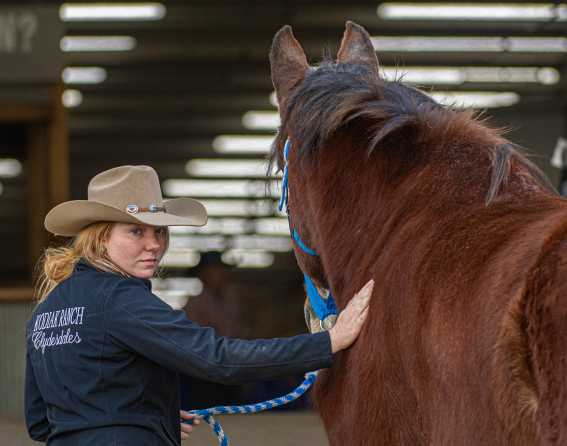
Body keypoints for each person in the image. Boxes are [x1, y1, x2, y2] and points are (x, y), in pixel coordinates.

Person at [25, 165, 374, 446]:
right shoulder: (121, 299)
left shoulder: (44, 313)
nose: (153, 245)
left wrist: (144, 420)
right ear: (101, 238)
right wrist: (327, 342)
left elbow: (40, 422)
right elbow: (216, 358)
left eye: (159, 232)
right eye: (136, 232)